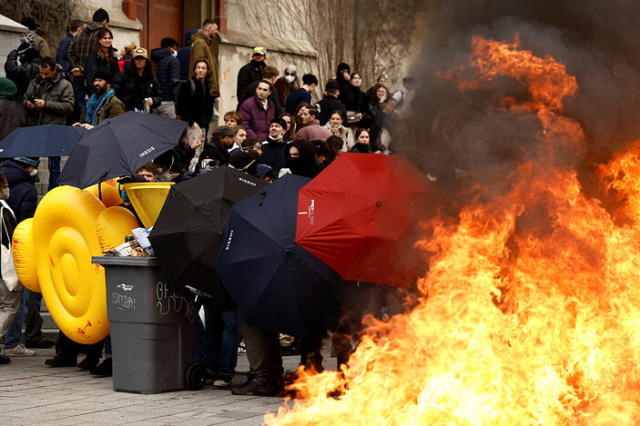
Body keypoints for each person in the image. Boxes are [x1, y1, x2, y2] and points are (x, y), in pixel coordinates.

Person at [1, 157, 49, 357]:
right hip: (9, 258)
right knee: (13, 304)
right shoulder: (27, 191)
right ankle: (12, 344)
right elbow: (23, 227)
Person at [23, 56, 74, 191]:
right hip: (36, 127)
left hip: (54, 128)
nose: (43, 76)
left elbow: (68, 107)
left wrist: (46, 104)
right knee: (29, 163)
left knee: (54, 165)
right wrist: (28, 104)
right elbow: (24, 99)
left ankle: (53, 192)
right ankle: (27, 192)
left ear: (54, 70)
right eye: (41, 73)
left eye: (46, 73)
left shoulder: (65, 85)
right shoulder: (35, 82)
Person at [68, 8, 110, 113]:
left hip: (78, 78)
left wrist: (77, 67)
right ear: (104, 21)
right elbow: (100, 58)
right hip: (95, 79)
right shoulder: (102, 34)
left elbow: (69, 52)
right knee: (97, 111)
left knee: (83, 110)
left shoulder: (80, 34)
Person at [0, 172, 18, 365]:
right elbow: (13, 238)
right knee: (10, 306)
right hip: (2, 267)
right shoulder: (3, 210)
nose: (7, 189)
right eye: (5, 185)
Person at [113, 48, 162, 113]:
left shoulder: (151, 78)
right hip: (127, 113)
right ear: (133, 60)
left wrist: (153, 100)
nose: (139, 61)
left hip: (146, 114)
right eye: (137, 59)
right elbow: (116, 95)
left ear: (146, 61)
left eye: (142, 59)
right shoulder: (123, 76)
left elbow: (158, 96)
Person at [176, 58, 212, 142]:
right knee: (193, 152)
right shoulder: (188, 84)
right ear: (194, 70)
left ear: (207, 71)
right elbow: (181, 105)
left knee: (200, 151)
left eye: (203, 68)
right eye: (198, 67)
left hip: (202, 125)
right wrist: (191, 123)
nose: (200, 70)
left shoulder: (207, 86)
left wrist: (205, 122)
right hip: (191, 125)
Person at [189, 20, 220, 99]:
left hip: (206, 89)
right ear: (210, 28)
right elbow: (199, 68)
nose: (217, 31)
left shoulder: (205, 43)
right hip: (203, 90)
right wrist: (203, 89)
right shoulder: (200, 43)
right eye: (215, 29)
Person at [83, 28, 120, 95]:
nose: (107, 40)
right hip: (98, 94)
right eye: (104, 38)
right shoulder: (93, 57)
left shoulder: (114, 57)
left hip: (112, 94)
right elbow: (91, 78)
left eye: (109, 38)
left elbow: (117, 77)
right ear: (99, 40)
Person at [151, 37, 181, 118]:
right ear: (169, 48)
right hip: (168, 100)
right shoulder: (173, 61)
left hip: (154, 101)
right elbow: (175, 81)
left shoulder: (152, 59)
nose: (175, 52)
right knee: (168, 129)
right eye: (174, 49)